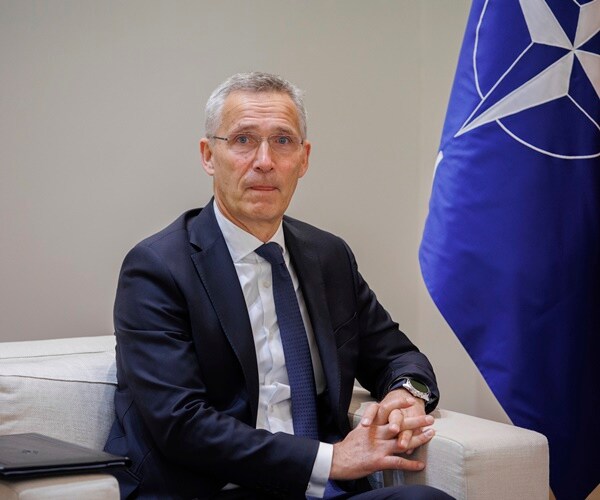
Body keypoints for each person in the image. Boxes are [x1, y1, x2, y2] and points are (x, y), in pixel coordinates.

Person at [104, 72, 452, 500]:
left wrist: (406, 394)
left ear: (303, 159)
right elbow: (181, 423)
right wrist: (331, 460)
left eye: (283, 141)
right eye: (243, 140)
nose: (264, 161)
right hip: (210, 490)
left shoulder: (328, 256)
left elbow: (397, 356)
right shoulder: (157, 268)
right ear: (209, 155)